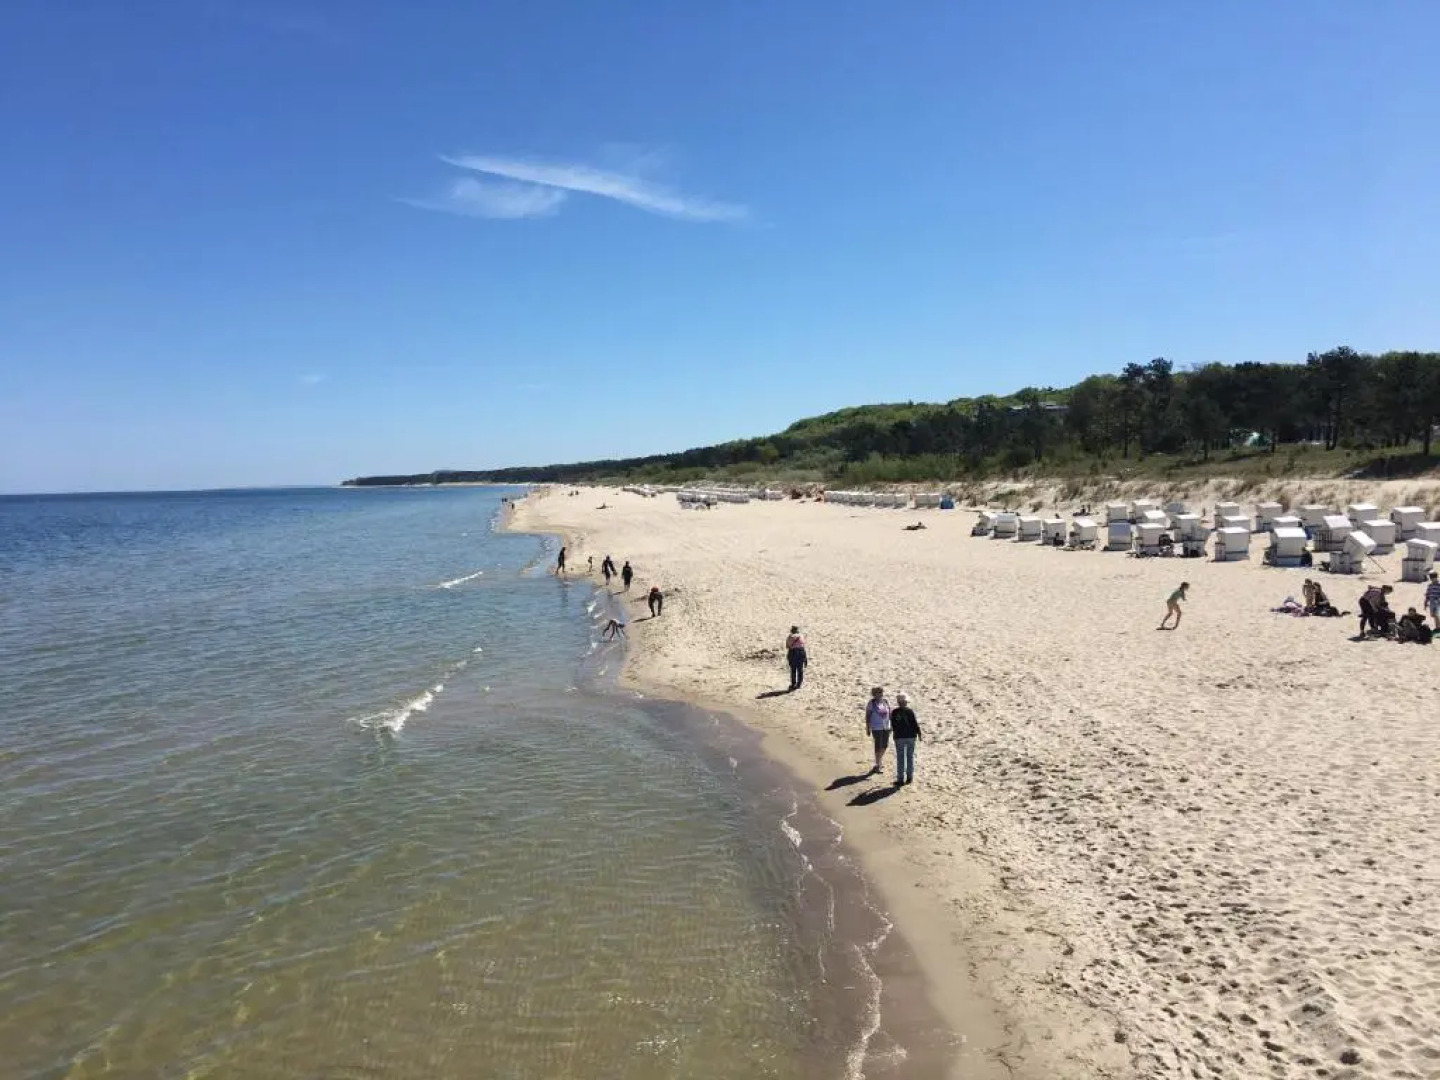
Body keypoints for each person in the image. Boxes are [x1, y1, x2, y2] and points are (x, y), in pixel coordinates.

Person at [890, 692, 922, 786]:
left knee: (900, 758)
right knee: (910, 757)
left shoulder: (895, 712)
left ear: (898, 702)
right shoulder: (910, 711)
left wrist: (894, 734)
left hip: (899, 737)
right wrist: (919, 733)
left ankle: (900, 779)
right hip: (911, 736)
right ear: (905, 702)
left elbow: (893, 725)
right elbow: (914, 723)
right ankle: (909, 777)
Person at [864, 687, 891, 774]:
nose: (880, 694)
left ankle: (879, 761)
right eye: (878, 692)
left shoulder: (885, 702)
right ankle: (878, 764)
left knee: (885, 745)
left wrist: (891, 726)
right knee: (878, 746)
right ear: (874, 694)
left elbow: (889, 714)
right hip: (876, 727)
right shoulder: (871, 703)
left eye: (881, 692)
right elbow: (868, 716)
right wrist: (868, 728)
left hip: (886, 727)